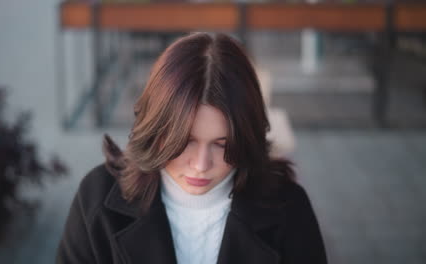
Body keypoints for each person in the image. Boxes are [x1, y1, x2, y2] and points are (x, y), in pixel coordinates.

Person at [56, 32, 327, 264]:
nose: (201, 164)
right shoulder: (95, 199)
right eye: (184, 142)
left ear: (246, 137)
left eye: (223, 145)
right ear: (155, 129)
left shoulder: (289, 208)